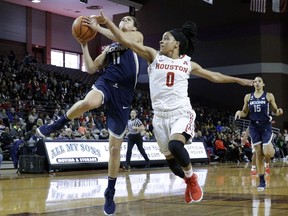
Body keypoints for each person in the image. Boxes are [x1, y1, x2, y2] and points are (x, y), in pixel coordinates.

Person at [96, 11, 254, 206]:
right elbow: (125, 41)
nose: (161, 42)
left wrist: (239, 80)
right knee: (171, 164)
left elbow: (214, 76)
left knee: (174, 146)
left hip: (181, 113)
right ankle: (189, 181)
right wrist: (107, 25)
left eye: (166, 39)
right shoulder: (153, 56)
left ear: (176, 44)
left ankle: (192, 179)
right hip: (160, 117)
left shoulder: (187, 63)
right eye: (161, 39)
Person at [36, 15, 146, 215]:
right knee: (89, 102)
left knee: (114, 150)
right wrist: (84, 44)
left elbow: (122, 38)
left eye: (129, 19)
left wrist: (97, 27)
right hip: (106, 82)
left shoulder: (136, 37)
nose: (125, 20)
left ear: (134, 26)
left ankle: (110, 191)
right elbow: (90, 68)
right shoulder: (110, 48)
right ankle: (56, 124)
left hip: (124, 94)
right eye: (123, 19)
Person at [235, 76, 283, 191]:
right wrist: (239, 113)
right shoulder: (248, 97)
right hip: (254, 126)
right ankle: (261, 181)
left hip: (265, 125)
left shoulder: (268, 95)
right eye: (255, 81)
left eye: (259, 81)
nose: (256, 83)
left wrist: (279, 111)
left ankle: (272, 149)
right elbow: (244, 112)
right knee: (258, 153)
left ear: (263, 84)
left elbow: (276, 110)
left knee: (267, 153)